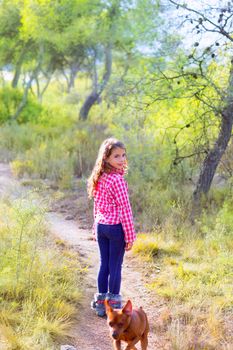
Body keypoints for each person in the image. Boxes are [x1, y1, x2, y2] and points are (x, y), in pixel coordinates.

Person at [87, 137, 136, 317]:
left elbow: (96, 206)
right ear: (106, 158)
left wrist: (95, 227)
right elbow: (125, 209)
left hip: (102, 226)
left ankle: (101, 305)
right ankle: (113, 306)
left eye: (123, 155)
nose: (122, 159)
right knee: (115, 266)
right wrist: (130, 236)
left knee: (104, 265)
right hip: (115, 228)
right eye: (116, 156)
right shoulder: (117, 180)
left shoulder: (99, 176)